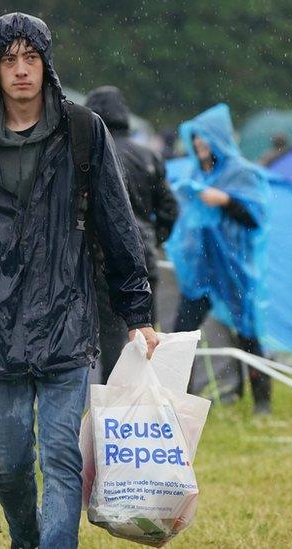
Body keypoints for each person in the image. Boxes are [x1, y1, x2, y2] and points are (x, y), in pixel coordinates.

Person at [0, 13, 158, 547]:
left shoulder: (83, 130)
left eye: (31, 58)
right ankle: (27, 539)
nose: (21, 70)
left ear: (46, 63)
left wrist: (138, 314)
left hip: (68, 318)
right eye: (8, 60)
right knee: (10, 462)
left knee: (63, 456)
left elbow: (117, 226)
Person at [165, 103, 272, 415]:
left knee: (247, 334)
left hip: (234, 270)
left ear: (219, 139)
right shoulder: (195, 174)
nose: (199, 145)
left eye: (205, 139)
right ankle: (176, 403)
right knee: (181, 334)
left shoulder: (242, 174)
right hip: (201, 271)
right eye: (195, 140)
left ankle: (262, 401)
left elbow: (256, 218)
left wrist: (225, 200)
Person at [85, 85, 178, 382]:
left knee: (113, 339)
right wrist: (152, 239)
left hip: (103, 261)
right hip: (145, 257)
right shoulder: (147, 155)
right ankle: (152, 406)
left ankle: (115, 408)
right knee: (149, 334)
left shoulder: (93, 154)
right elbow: (170, 210)